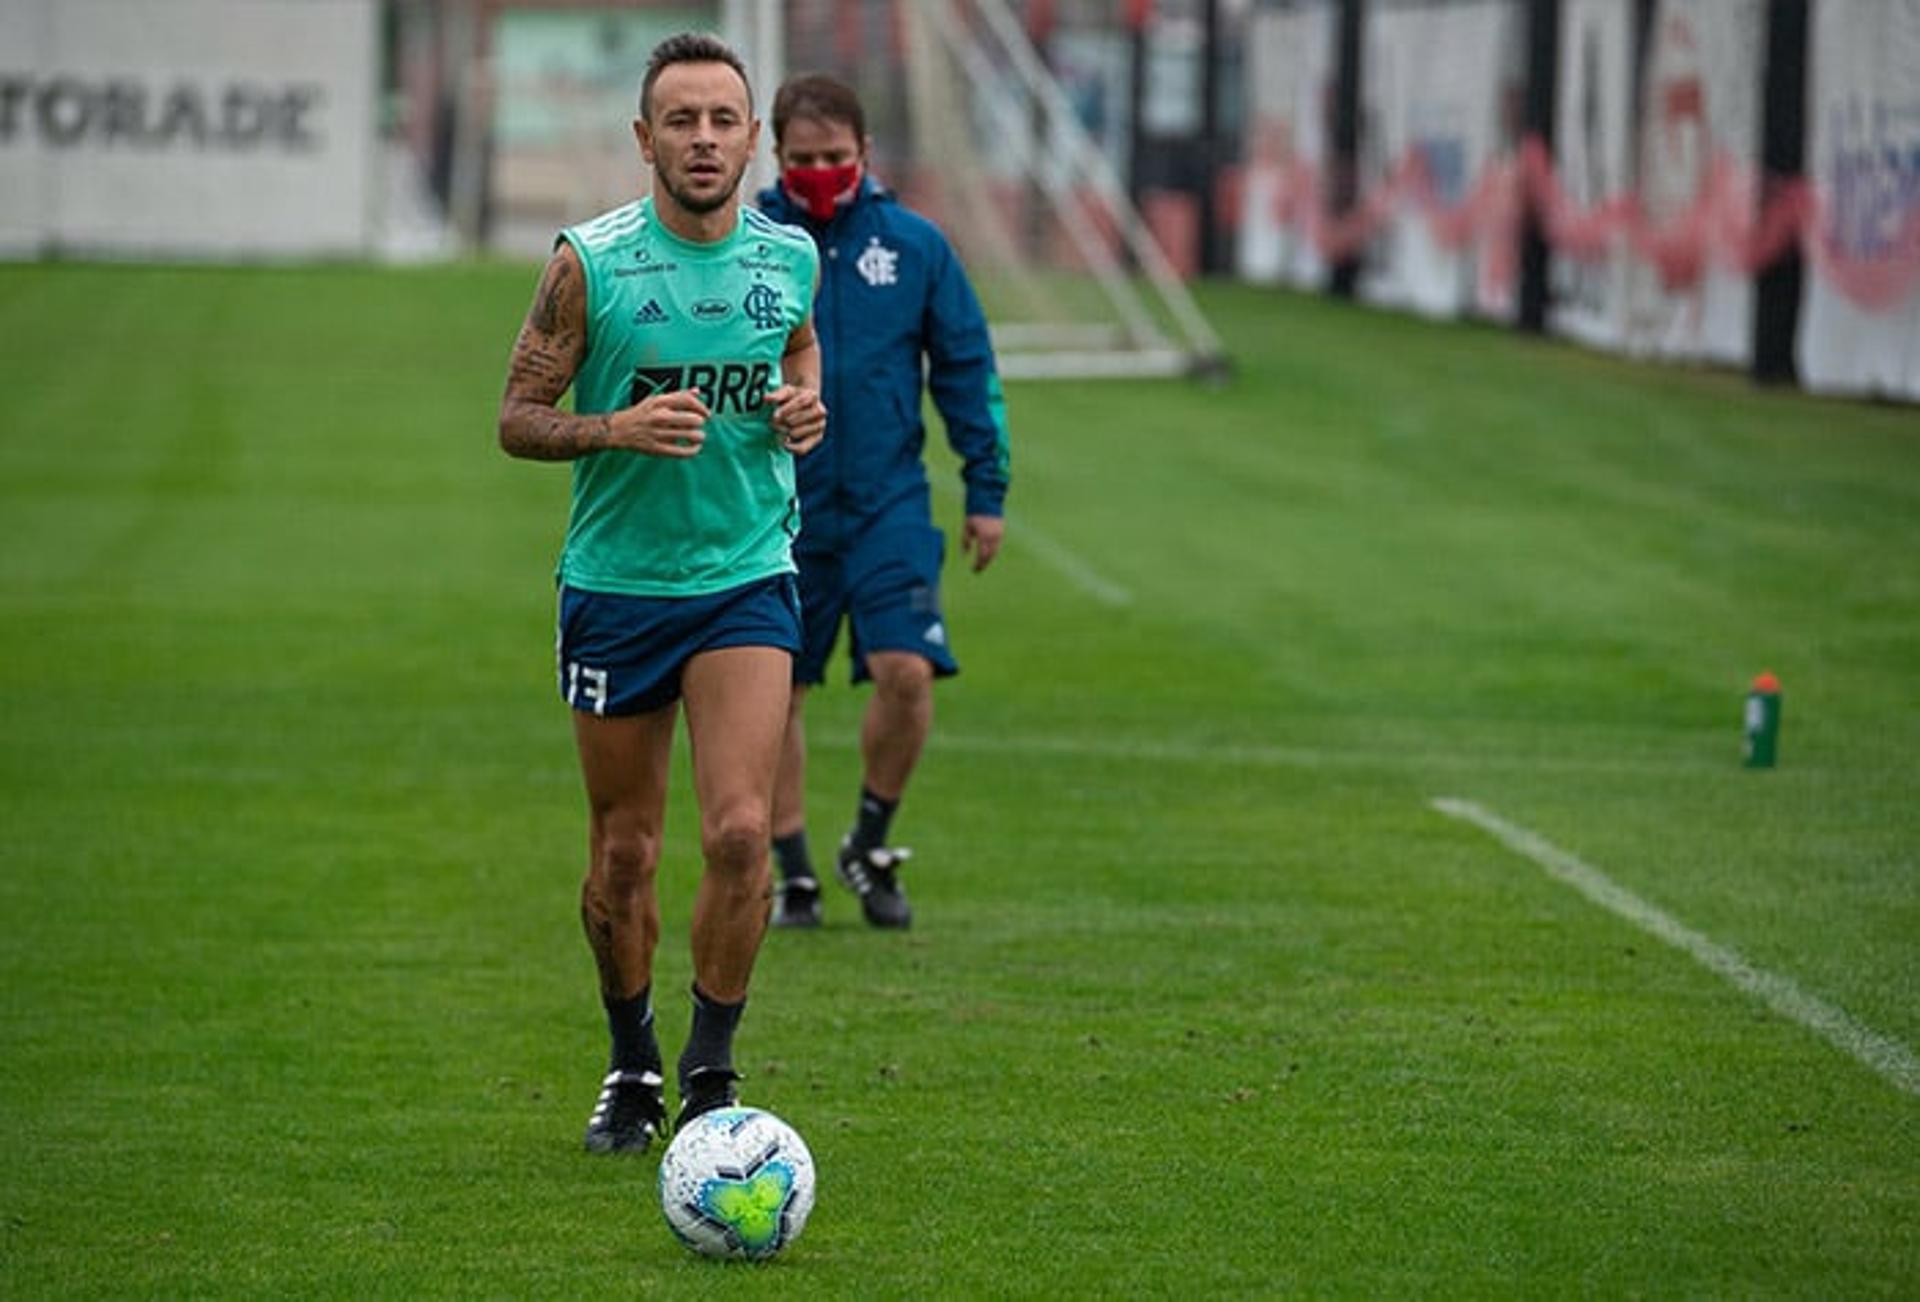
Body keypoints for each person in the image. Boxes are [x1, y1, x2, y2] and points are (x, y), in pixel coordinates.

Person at [496, 32, 826, 1155]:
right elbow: (516, 418)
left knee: (741, 834)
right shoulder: (586, 262)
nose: (701, 139)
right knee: (625, 855)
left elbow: (800, 350)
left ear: (752, 138)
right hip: (617, 588)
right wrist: (613, 428)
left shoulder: (790, 260)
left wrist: (802, 404)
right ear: (645, 139)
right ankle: (630, 1060)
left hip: (745, 577)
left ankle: (711, 1070)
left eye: (722, 120)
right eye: (680, 121)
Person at [756, 74, 1010, 931]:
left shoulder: (915, 248)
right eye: (803, 160)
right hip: (772, 506)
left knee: (907, 672)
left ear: (864, 155)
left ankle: (868, 843)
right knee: (774, 695)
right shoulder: (748, 245)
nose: (820, 172)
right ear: (777, 158)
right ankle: (791, 868)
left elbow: (967, 368)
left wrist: (986, 489)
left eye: (835, 158)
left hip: (888, 503)